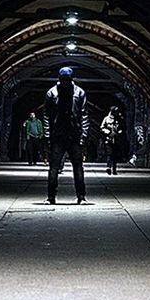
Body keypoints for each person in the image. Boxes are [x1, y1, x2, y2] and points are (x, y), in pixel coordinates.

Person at [43, 66, 88, 204]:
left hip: (74, 134)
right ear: (59, 79)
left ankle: (81, 196)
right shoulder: (52, 93)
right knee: (54, 167)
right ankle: (51, 197)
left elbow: (84, 114)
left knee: (78, 167)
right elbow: (46, 114)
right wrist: (47, 134)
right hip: (58, 134)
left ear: (71, 79)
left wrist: (84, 134)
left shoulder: (79, 93)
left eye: (67, 80)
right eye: (63, 80)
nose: (65, 82)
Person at [100, 106, 124, 175]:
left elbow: (122, 126)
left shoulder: (119, 119)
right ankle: (108, 167)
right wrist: (107, 132)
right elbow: (102, 127)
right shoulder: (106, 119)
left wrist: (120, 131)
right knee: (109, 154)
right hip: (109, 139)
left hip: (117, 139)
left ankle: (114, 169)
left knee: (115, 155)